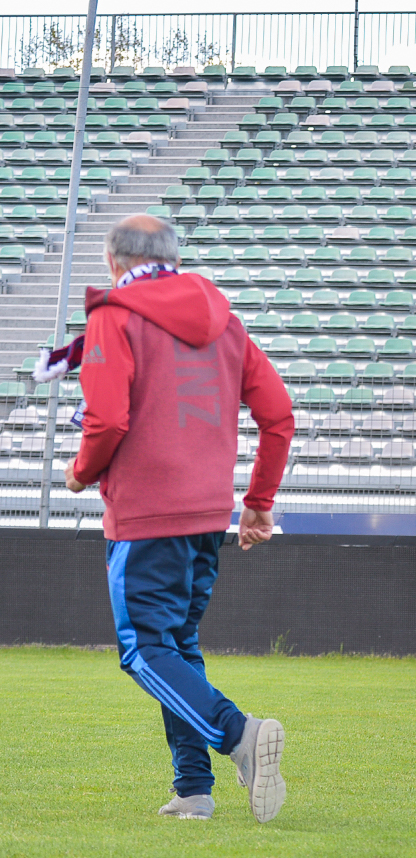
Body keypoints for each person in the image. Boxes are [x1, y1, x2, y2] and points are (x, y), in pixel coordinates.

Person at [62, 215, 295, 823]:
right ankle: (194, 789)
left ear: (115, 263)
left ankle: (241, 735)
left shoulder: (115, 314)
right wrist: (258, 503)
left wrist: (82, 472)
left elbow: (108, 420)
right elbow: (279, 415)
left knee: (143, 652)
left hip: (145, 515)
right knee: (177, 646)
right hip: (205, 518)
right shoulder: (225, 321)